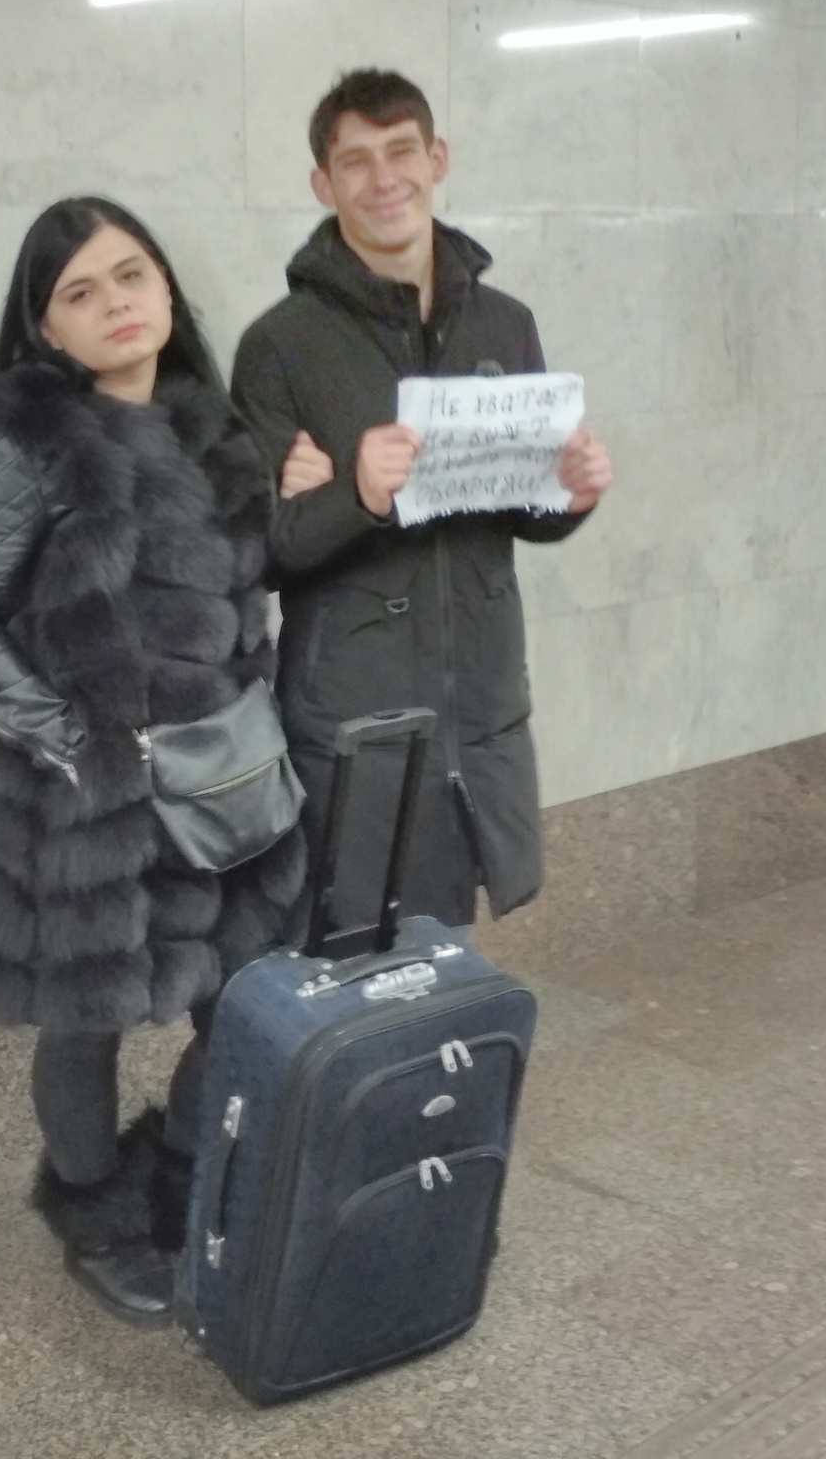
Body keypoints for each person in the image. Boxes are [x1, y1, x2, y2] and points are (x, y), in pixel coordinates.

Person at [0, 198, 305, 1329]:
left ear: (167, 288)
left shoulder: (209, 428)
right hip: (94, 809)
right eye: (80, 292)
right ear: (45, 328)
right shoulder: (17, 449)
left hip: (229, 785)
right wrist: (74, 745)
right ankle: (92, 1213)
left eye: (130, 276)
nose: (115, 305)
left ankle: (182, 1173)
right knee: (84, 1021)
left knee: (245, 1002)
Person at [233, 68, 614, 937]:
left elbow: (524, 510)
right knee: (345, 955)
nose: (384, 178)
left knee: (444, 946)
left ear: (437, 158)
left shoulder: (503, 323)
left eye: (402, 150)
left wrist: (573, 490)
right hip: (352, 703)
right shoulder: (280, 346)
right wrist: (359, 494)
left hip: (476, 689)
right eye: (355, 161)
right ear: (322, 185)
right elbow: (260, 548)